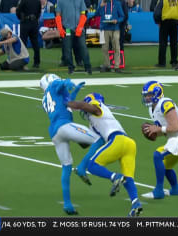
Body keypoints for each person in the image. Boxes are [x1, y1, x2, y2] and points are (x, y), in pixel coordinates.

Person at [66, 93, 143, 217]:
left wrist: (66, 103)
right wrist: (71, 133)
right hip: (130, 144)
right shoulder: (94, 121)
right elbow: (86, 143)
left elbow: (86, 106)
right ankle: (136, 204)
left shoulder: (97, 106)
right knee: (128, 178)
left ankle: (114, 177)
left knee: (92, 165)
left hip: (118, 140)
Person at [40, 74, 104, 215]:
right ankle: (82, 168)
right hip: (65, 125)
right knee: (99, 140)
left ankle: (68, 204)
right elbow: (60, 84)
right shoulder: (54, 86)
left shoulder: (45, 99)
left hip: (55, 133)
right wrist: (67, 82)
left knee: (66, 167)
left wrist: (75, 91)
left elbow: (67, 103)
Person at [140, 81, 178, 199]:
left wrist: (158, 129)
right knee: (165, 166)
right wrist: (154, 131)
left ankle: (158, 191)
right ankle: (175, 189)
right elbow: (166, 129)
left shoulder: (165, 103)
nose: (147, 98)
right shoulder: (152, 108)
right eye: (146, 95)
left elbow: (175, 127)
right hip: (175, 138)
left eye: (149, 95)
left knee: (157, 155)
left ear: (157, 93)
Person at [55, 0, 92, 75]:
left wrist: (80, 27)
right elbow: (58, 14)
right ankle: (70, 68)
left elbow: (83, 14)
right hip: (67, 29)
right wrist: (60, 28)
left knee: (83, 47)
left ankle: (88, 67)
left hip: (79, 28)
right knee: (67, 49)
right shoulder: (60, 1)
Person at [95, 0, 125, 73]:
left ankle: (117, 66)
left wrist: (117, 20)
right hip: (104, 28)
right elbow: (96, 14)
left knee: (116, 47)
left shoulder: (117, 3)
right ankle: (107, 65)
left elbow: (122, 16)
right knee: (105, 48)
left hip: (115, 28)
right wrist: (100, 6)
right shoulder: (101, 3)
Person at [153, 0, 178, 68]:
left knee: (163, 43)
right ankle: (174, 61)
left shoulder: (163, 1)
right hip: (175, 22)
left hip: (164, 22)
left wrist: (158, 21)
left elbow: (157, 12)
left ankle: (162, 62)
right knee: (174, 43)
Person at [16, 0, 41, 68]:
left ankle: (22, 61)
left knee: (23, 43)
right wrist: (35, 19)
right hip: (34, 23)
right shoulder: (37, 1)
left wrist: (21, 18)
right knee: (35, 43)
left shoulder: (24, 1)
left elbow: (18, 10)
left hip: (25, 22)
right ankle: (37, 62)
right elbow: (39, 12)